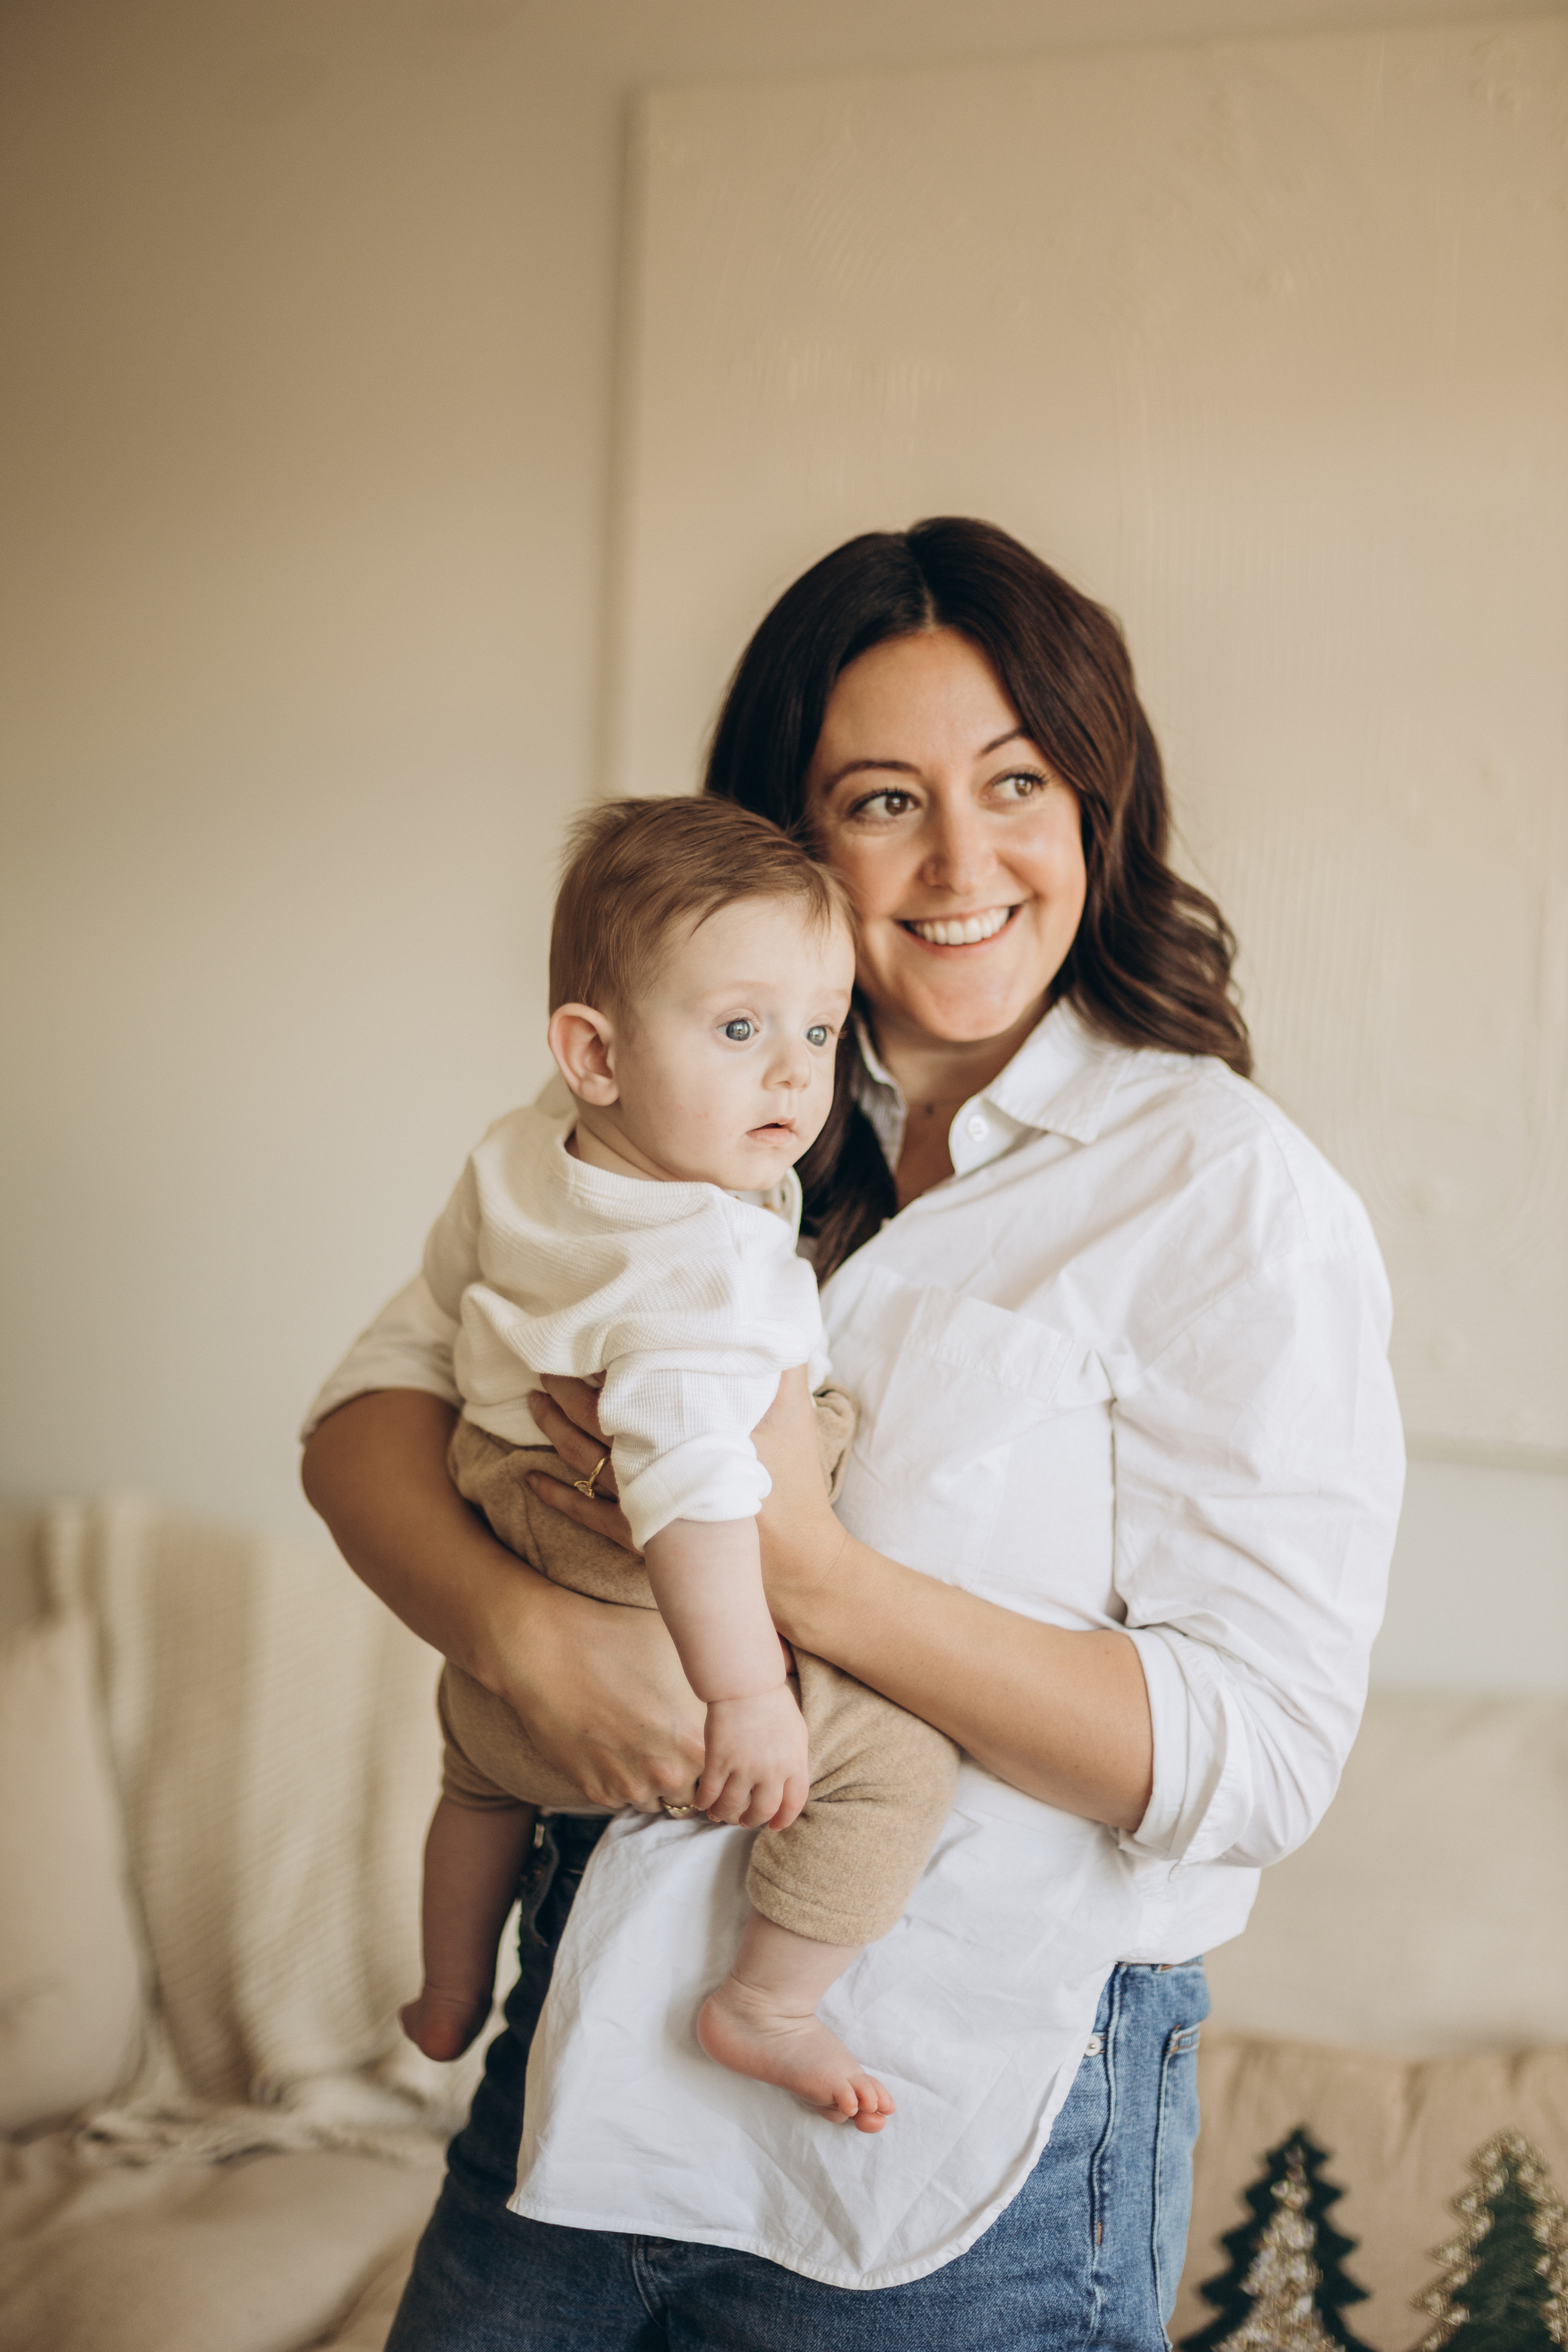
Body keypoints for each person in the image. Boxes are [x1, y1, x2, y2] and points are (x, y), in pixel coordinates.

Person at [301, 517, 1404, 2348]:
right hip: (579, 2073)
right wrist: (516, 1639)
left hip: (954, 2136)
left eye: (1019, 782)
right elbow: (368, 1414)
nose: (960, 860)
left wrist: (808, 1574)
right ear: (792, 834)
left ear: (1099, 807)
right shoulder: (694, 1096)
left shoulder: (1223, 1195)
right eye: (884, 798)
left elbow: (1259, 1752)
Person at [397, 793, 957, 2133]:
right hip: (636, 1570)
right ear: (592, 1050)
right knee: (896, 1764)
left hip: (504, 1487)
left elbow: (446, 1292)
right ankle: (763, 2005)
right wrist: (748, 1694)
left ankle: (445, 1983)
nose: (791, 1075)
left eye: (818, 1031)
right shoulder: (711, 1265)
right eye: (738, 1029)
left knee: (475, 1775)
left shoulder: (524, 1149)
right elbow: (698, 1497)